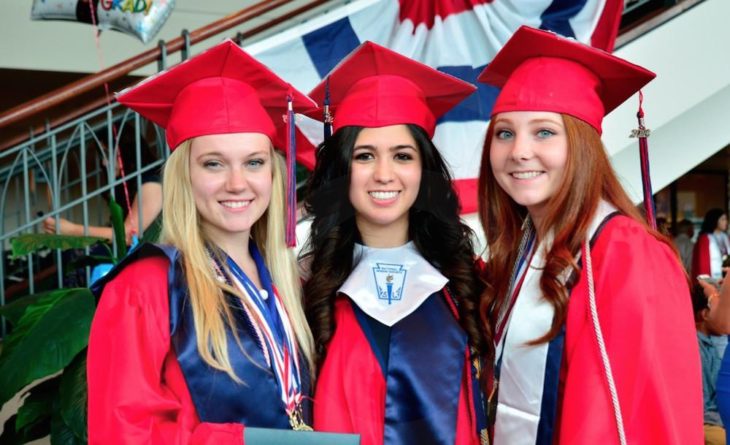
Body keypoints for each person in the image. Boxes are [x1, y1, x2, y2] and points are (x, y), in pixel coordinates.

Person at [476, 26, 702, 444]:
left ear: (582, 146)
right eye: (504, 132)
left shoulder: (625, 253)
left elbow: (632, 417)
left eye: (544, 131)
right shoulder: (525, 249)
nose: (519, 151)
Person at [86, 40, 317, 443]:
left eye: (254, 162)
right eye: (214, 163)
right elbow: (122, 433)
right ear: (184, 176)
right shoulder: (145, 287)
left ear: (274, 174)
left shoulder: (287, 284)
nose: (237, 183)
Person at [301, 41, 488, 445]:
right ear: (342, 169)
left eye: (402, 156)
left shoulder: (470, 282)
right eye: (365, 156)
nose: (384, 174)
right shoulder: (305, 287)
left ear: (424, 169)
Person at [42, 127, 163, 244]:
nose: (104, 162)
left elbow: (128, 235)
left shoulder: (151, 185)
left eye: (107, 154)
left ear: (126, 150)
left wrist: (72, 230)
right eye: (101, 155)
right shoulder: (132, 184)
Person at [693, 283, 727, 445]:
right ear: (705, 314)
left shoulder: (713, 342)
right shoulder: (696, 348)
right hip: (709, 423)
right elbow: (704, 408)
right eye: (718, 302)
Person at [694, 208, 730, 280]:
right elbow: (703, 263)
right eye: (722, 219)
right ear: (715, 220)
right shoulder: (706, 238)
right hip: (713, 278)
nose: (726, 222)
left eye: (726, 219)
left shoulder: (726, 237)